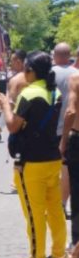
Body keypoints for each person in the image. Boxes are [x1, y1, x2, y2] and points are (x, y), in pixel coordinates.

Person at [0, 51, 67, 258]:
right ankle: (57, 254)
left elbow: (13, 126)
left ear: (32, 71)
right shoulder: (53, 91)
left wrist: (6, 105)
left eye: (25, 69)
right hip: (52, 158)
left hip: (32, 162)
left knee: (33, 211)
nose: (23, 73)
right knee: (55, 209)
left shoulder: (29, 94)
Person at [52, 42, 77, 217]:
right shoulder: (76, 74)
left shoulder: (49, 73)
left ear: (55, 55)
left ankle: (56, 204)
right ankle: (63, 203)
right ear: (68, 56)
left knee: (54, 169)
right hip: (72, 128)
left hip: (52, 128)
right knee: (67, 169)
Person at [60, 71, 79, 250]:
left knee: (77, 193)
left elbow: (71, 110)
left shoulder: (75, 79)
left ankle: (77, 243)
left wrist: (64, 140)